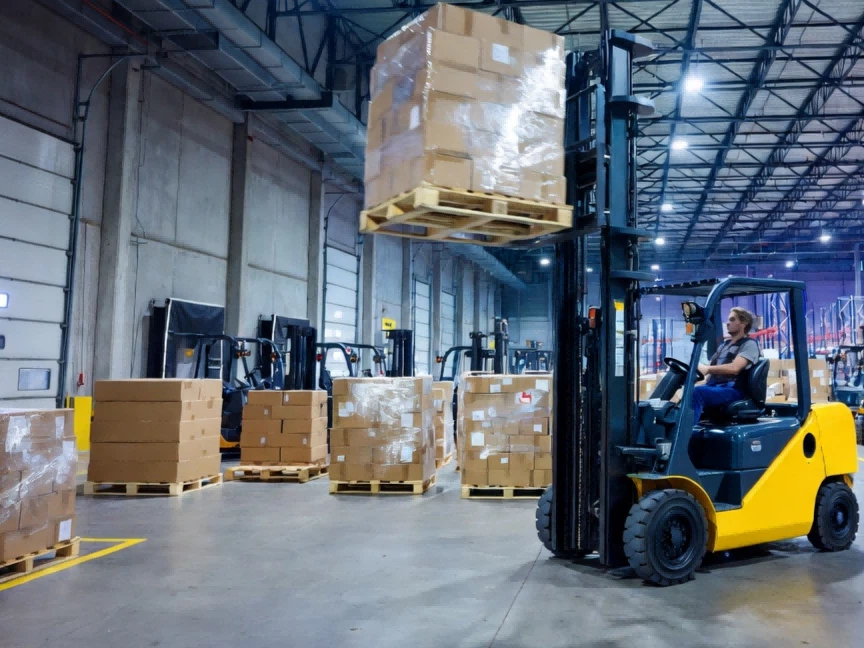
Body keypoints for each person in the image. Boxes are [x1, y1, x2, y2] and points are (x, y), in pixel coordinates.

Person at [691, 307, 761, 424]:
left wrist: (707, 369)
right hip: (717, 387)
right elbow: (710, 376)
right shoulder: (724, 345)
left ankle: (687, 436)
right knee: (691, 391)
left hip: (734, 390)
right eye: (728, 320)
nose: (728, 323)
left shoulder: (749, 344)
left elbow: (735, 368)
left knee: (698, 393)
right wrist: (692, 384)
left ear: (744, 324)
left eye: (732, 320)